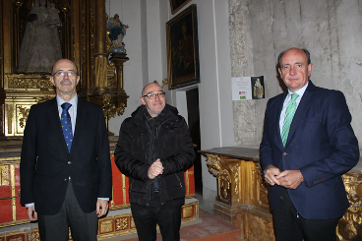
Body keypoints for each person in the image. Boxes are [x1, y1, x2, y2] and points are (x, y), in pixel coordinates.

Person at [260, 47, 359, 241]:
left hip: (318, 201)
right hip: (280, 199)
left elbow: (349, 153)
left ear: (310, 68)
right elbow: (267, 146)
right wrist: (269, 166)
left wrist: (304, 175)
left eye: (299, 65)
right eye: (286, 67)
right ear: (280, 72)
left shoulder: (329, 99)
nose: (292, 72)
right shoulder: (273, 104)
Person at [20, 59, 112, 241]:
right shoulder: (38, 113)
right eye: (59, 73)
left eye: (70, 72)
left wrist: (103, 195)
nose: (65, 76)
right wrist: (29, 199)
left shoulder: (94, 112)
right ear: (52, 80)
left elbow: (102, 157)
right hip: (48, 197)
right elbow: (28, 158)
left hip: (86, 195)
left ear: (77, 79)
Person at [114, 82, 195, 241]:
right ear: (143, 100)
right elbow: (121, 157)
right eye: (151, 95)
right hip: (141, 196)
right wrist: (145, 170)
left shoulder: (177, 122)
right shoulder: (129, 125)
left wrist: (164, 165)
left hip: (170, 196)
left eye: (160, 93)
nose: (157, 97)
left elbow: (188, 154)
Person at [17, 0, 62, 73]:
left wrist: (53, 11)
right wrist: (36, 22)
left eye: (44, 0)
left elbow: (54, 21)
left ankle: (48, 68)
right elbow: (31, 24)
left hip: (47, 34)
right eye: (41, 0)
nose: (43, 2)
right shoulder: (35, 11)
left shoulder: (49, 11)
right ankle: (34, 68)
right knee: (36, 50)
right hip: (37, 34)